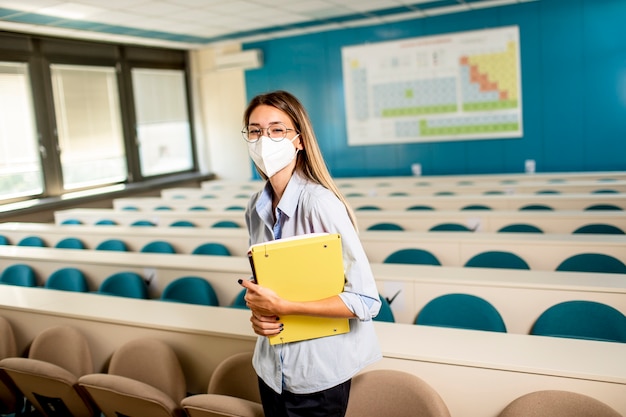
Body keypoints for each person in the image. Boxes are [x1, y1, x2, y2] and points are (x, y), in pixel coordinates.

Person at [237, 90, 382, 417]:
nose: (264, 140)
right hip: (271, 371)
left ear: (299, 140)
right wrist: (260, 312)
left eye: (277, 130)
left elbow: (366, 300)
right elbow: (270, 286)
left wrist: (284, 307)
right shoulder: (255, 206)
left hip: (316, 377)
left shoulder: (319, 203)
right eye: (255, 131)